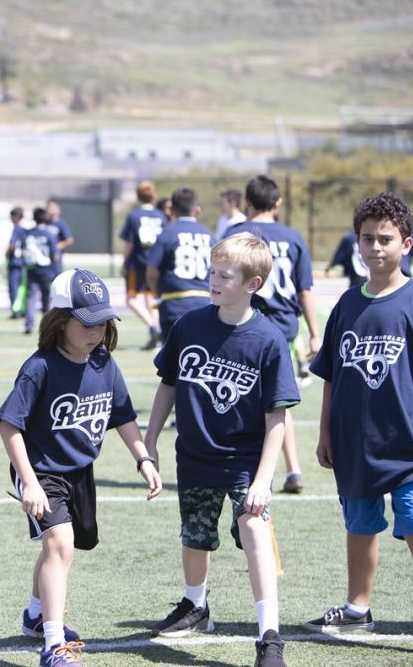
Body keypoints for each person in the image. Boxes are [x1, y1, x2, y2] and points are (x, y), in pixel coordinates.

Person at [306, 193, 413, 663]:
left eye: (385, 239)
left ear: (407, 244)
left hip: (408, 446)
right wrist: (325, 432)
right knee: (359, 526)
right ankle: (358, 607)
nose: (375, 247)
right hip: (356, 443)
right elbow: (332, 376)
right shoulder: (346, 305)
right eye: (367, 238)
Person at [143, 232, 298, 667]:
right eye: (212, 272)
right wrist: (150, 440)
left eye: (224, 275)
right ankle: (197, 605)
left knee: (253, 528)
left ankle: (269, 635)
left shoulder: (268, 339)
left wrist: (265, 480)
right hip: (193, 456)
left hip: (244, 461)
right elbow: (168, 384)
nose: (213, 280)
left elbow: (277, 419)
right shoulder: (189, 325)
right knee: (195, 538)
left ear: (254, 283)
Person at [0, 269, 162, 667]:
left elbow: (122, 416)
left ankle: (36, 615)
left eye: (103, 321)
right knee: (60, 544)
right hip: (40, 470)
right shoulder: (40, 367)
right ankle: (53, 645)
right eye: (87, 323)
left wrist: (143, 458)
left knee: (68, 544)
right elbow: (10, 425)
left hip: (79, 470)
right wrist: (30, 483)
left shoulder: (104, 362)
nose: (97, 331)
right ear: (60, 320)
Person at [224, 176, 321, 494]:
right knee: (277, 401)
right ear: (278, 203)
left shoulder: (233, 234)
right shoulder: (293, 238)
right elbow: (305, 290)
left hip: (243, 324)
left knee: (236, 396)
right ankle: (292, 467)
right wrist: (315, 333)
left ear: (247, 203)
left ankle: (242, 467)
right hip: (284, 327)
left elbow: (218, 284)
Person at [145, 187, 214, 344]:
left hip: (174, 304)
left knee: (172, 363)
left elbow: (151, 271)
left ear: (171, 209)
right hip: (205, 304)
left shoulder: (167, 234)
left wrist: (157, 294)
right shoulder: (210, 236)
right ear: (197, 210)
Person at [120, 181, 167, 350]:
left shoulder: (134, 216)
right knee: (150, 298)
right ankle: (157, 329)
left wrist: (124, 261)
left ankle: (152, 326)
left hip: (137, 262)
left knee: (131, 299)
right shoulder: (160, 216)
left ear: (138, 195)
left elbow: (129, 243)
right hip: (155, 262)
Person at [22, 207, 61, 335]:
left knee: (31, 297)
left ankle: (29, 323)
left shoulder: (28, 233)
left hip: (32, 269)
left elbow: (23, 250)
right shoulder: (49, 234)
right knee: (46, 298)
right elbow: (55, 255)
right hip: (46, 270)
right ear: (45, 218)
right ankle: (47, 326)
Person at [6, 206, 27, 319]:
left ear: (16, 216)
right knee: (22, 287)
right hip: (22, 263)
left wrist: (7, 252)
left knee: (14, 287)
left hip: (14, 262)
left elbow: (13, 245)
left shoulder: (16, 229)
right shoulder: (24, 230)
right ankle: (23, 309)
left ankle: (16, 310)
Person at [43, 199, 75, 272]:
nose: (51, 210)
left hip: (55, 257)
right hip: (44, 255)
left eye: (53, 208)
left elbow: (69, 240)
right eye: (49, 208)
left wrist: (56, 247)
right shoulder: (44, 222)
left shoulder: (61, 223)